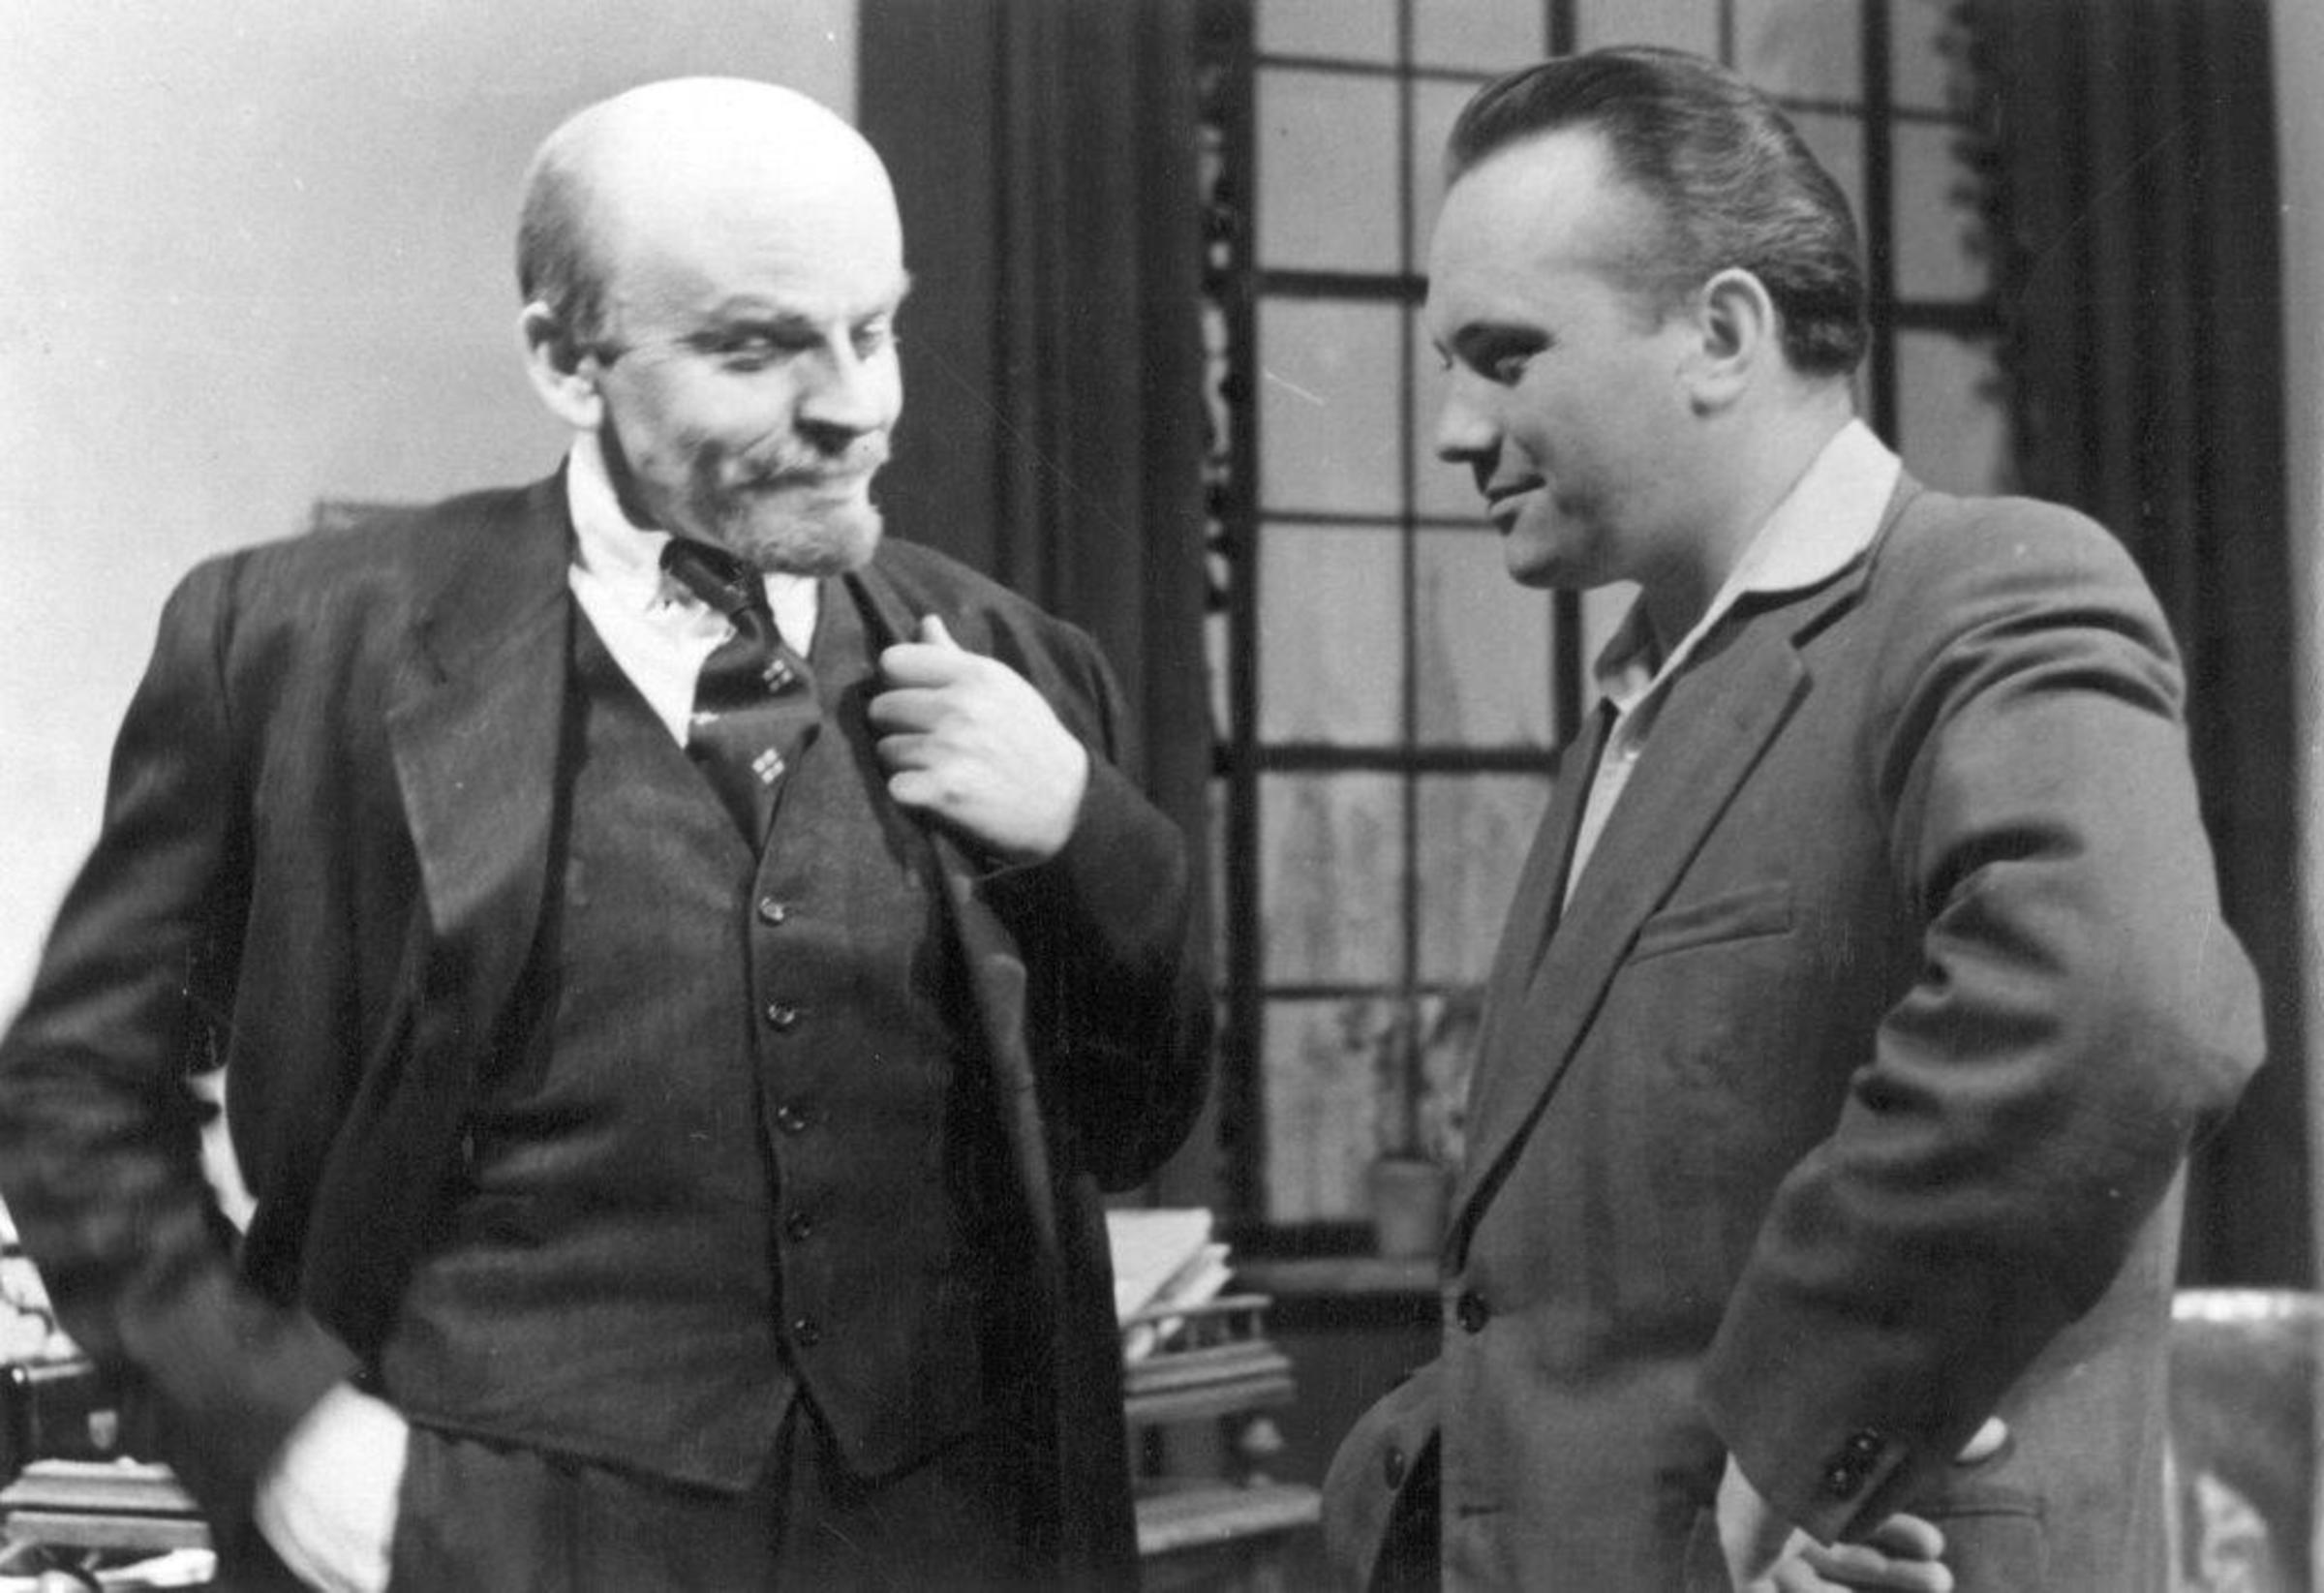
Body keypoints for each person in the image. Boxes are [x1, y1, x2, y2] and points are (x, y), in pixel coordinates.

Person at [0, 77, 1208, 1591]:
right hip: (485, 1536)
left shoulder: (1016, 661)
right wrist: (276, 1425)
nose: (856, 405)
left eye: (876, 327)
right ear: (567, 360)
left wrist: (1081, 830)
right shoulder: (300, 647)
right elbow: (72, 1089)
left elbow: (1138, 1120)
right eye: (757, 348)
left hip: (934, 1538)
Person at [1322, 46, 2262, 1593]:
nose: (1452, 430)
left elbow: (2122, 1008)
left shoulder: (1994, 591)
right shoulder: (1641, 707)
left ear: (1723, 334)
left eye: (1503, 355)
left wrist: (1802, 1440)